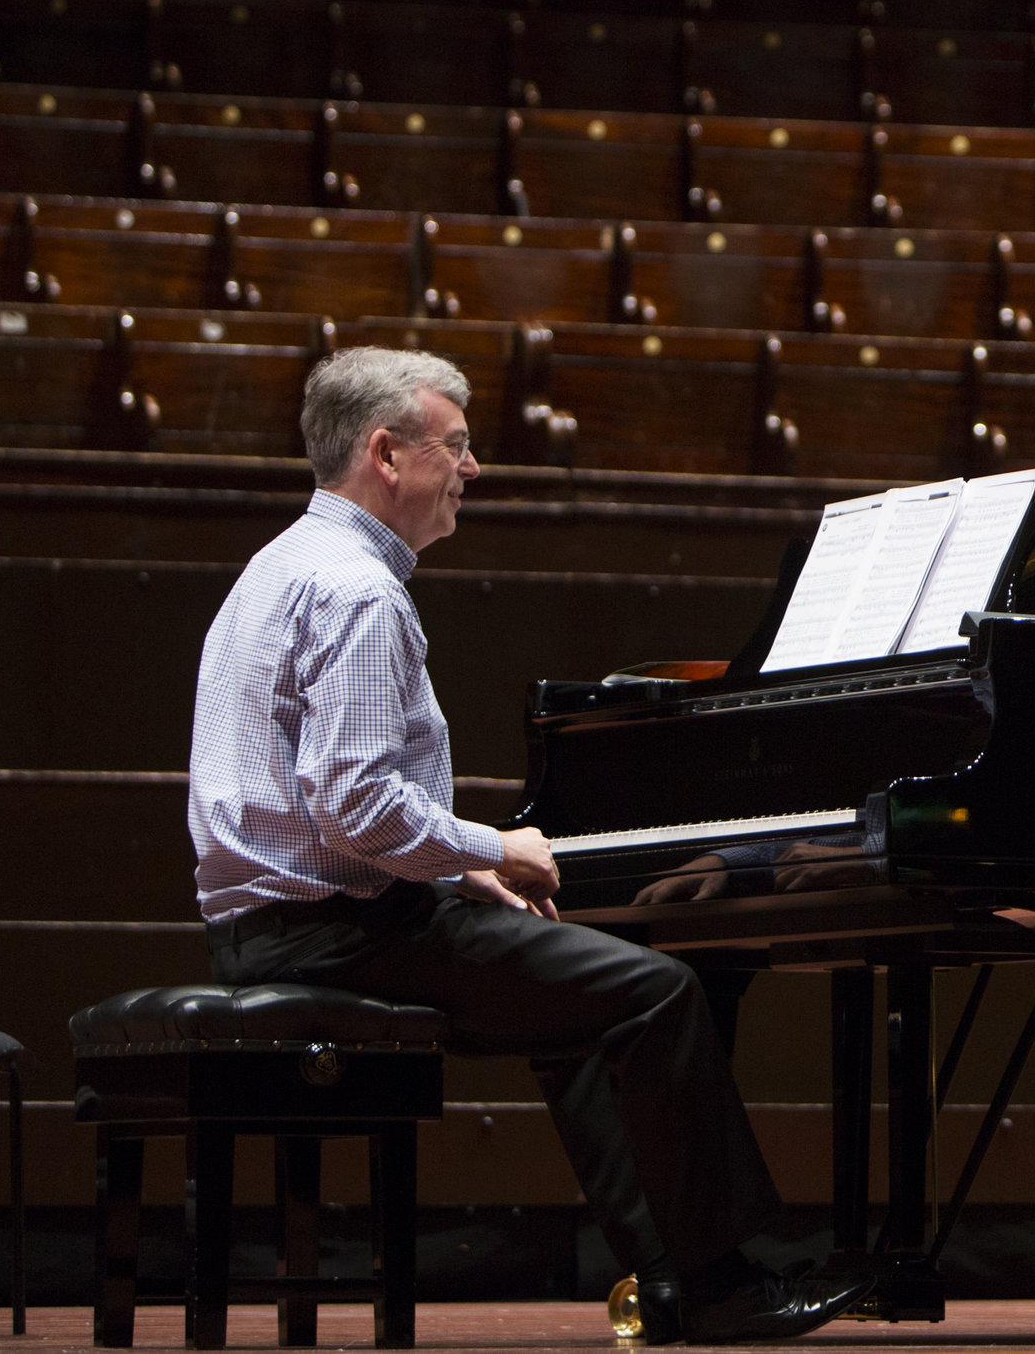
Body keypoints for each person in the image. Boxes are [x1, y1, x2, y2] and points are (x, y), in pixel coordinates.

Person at [188, 345, 868, 1345]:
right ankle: (725, 1282)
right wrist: (490, 845)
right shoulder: (360, 590)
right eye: (456, 446)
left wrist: (457, 864)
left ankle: (673, 1276)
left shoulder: (276, 565)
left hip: (273, 928)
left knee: (577, 1004)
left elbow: (314, 799)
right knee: (655, 989)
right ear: (385, 451)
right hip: (344, 935)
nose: (473, 467)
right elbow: (356, 807)